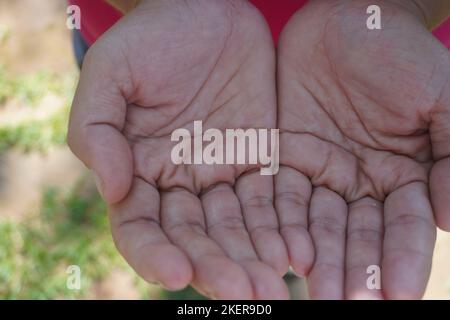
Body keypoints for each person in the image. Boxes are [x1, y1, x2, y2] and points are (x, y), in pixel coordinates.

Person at [67, 0, 450, 299]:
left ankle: (272, 273)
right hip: (156, 69)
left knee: (286, 235)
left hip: (388, 74)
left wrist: (404, 7)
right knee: (224, 233)